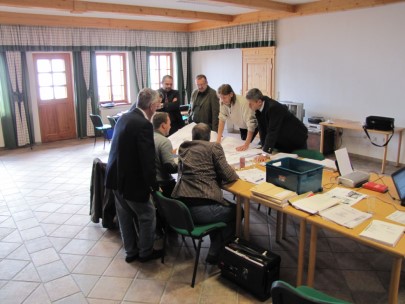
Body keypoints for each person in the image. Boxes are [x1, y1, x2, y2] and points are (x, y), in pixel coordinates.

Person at [105, 88, 163, 263]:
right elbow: (147, 160)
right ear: (152, 106)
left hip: (115, 177)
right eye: (158, 103)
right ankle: (145, 252)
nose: (159, 106)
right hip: (131, 179)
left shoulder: (124, 117)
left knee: (124, 216)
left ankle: (130, 252)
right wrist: (153, 185)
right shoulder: (144, 125)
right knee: (147, 214)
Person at [172, 123, 239, 265]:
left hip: (181, 207)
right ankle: (221, 252)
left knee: (218, 207)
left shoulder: (184, 147)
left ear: (193, 136)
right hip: (199, 210)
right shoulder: (213, 147)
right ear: (209, 137)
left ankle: (216, 249)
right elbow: (229, 176)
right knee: (237, 211)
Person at [246, 88, 308, 162]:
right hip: (282, 139)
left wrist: (265, 153)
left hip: (295, 138)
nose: (249, 106)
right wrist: (263, 149)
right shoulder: (259, 108)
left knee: (296, 164)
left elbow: (272, 131)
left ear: (259, 102)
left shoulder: (274, 107)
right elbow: (262, 130)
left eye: (251, 103)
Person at [216, 84, 258, 151]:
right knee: (243, 139)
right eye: (220, 97)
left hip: (255, 123)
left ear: (231, 94)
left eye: (224, 97)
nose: (222, 100)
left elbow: (251, 124)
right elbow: (221, 119)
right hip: (242, 125)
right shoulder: (222, 102)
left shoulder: (244, 102)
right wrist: (218, 140)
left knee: (250, 145)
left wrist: (246, 145)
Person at [152, 112, 178, 198]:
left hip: (153, 183)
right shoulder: (164, 141)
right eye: (169, 124)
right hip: (165, 185)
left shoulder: (148, 137)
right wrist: (184, 163)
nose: (170, 126)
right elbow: (170, 168)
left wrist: (173, 155)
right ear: (163, 125)